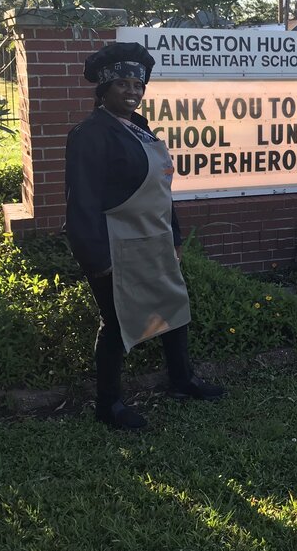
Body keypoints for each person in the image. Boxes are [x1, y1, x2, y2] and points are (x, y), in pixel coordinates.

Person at [65, 42, 224, 431]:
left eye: (139, 84)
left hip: (154, 239)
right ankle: (108, 404)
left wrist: (174, 236)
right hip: (116, 245)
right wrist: (96, 260)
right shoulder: (89, 134)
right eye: (123, 83)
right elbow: (81, 202)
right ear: (103, 88)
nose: (133, 91)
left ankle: (182, 380)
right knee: (117, 321)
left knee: (174, 308)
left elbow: (160, 187)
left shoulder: (140, 127)